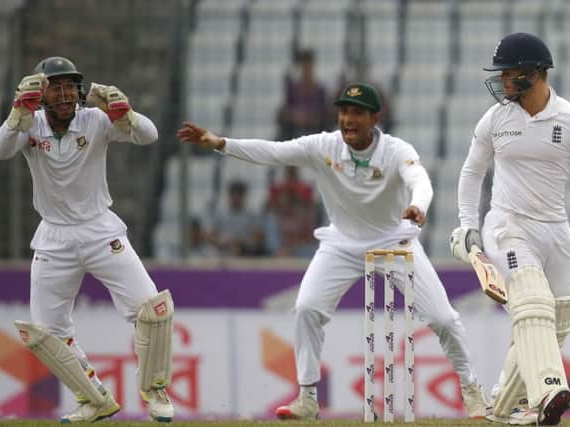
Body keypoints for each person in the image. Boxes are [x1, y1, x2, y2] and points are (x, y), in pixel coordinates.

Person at [178, 82, 489, 420]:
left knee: (443, 318)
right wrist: (221, 143)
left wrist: (418, 206)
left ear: (375, 118)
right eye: (343, 112)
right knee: (307, 308)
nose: (347, 119)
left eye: (356, 113)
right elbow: (274, 152)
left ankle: (471, 390)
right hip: (341, 244)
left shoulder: (397, 150)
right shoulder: (322, 146)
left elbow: (420, 180)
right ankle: (308, 397)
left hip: (395, 240)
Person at [0, 56, 175, 423]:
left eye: (69, 87)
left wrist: (128, 114)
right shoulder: (31, 124)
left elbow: (149, 135)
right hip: (53, 239)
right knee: (46, 332)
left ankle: (155, 390)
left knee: (152, 310)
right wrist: (16, 114)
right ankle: (93, 398)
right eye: (55, 87)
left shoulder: (94, 120)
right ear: (42, 93)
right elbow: (1, 150)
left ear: (78, 90)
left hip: (100, 231)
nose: (63, 94)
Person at [449, 33, 570, 426]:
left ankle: (507, 406)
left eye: (508, 73)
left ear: (534, 73)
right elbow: (472, 172)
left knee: (555, 316)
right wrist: (468, 226)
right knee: (532, 298)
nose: (502, 81)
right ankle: (550, 391)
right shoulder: (495, 119)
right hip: (507, 223)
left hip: (556, 231)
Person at [264, 165, 318, 257]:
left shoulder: (303, 218)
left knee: (310, 250)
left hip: (300, 250)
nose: (289, 202)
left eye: (292, 199)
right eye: (286, 199)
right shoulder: (275, 219)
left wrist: (295, 244)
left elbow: (309, 238)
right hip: (280, 250)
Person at [208, 179, 268, 256]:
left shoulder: (251, 214)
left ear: (243, 196)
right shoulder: (220, 213)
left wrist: (243, 243)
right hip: (223, 253)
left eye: (239, 194)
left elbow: (260, 237)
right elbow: (210, 236)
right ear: (229, 195)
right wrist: (223, 242)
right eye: (233, 194)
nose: (236, 198)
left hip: (246, 253)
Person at [277, 48, 327, 140]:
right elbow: (284, 112)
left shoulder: (320, 90)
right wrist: (295, 117)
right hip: (294, 131)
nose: (306, 70)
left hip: (314, 132)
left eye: (308, 66)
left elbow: (323, 114)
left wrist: (308, 118)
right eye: (304, 66)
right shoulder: (292, 89)